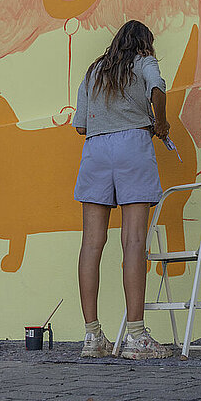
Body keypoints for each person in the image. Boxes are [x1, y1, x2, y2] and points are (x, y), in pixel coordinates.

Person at [73, 19, 173, 359]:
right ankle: (136, 337)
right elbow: (157, 89)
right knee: (133, 241)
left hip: (96, 149)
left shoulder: (94, 71)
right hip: (133, 145)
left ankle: (92, 336)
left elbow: (80, 126)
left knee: (91, 243)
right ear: (145, 43)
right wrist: (161, 123)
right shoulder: (144, 61)